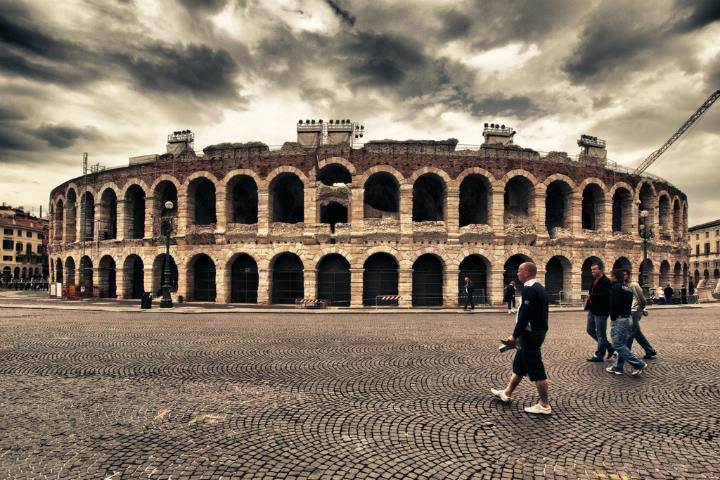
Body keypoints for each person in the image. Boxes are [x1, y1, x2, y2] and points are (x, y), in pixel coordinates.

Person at [491, 262, 551, 414]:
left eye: (519, 270)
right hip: (532, 333)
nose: (517, 274)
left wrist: (514, 336)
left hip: (530, 335)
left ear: (526, 272)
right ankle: (507, 393)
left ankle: (544, 405)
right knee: (519, 365)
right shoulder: (539, 288)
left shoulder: (530, 289)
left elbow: (525, 316)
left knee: (536, 369)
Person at [606, 269, 647, 375]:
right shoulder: (627, 288)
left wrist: (613, 316)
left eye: (611, 276)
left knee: (618, 345)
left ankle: (638, 364)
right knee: (623, 344)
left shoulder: (615, 288)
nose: (610, 278)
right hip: (628, 318)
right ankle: (618, 367)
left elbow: (614, 304)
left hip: (619, 319)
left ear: (614, 277)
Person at [623, 270, 657, 359]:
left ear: (628, 275)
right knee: (637, 332)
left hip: (635, 311)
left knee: (630, 332)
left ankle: (626, 352)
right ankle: (649, 350)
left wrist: (642, 309)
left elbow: (641, 299)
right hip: (631, 310)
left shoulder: (633, 285)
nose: (623, 276)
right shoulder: (625, 285)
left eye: (624, 275)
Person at [585, 260, 613, 362]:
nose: (592, 271)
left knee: (601, 334)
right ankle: (609, 347)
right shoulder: (595, 280)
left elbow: (607, 295)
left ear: (600, 269)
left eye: (594, 269)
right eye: (591, 269)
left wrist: (592, 296)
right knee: (590, 330)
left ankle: (599, 355)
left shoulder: (606, 281)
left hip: (601, 311)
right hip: (593, 309)